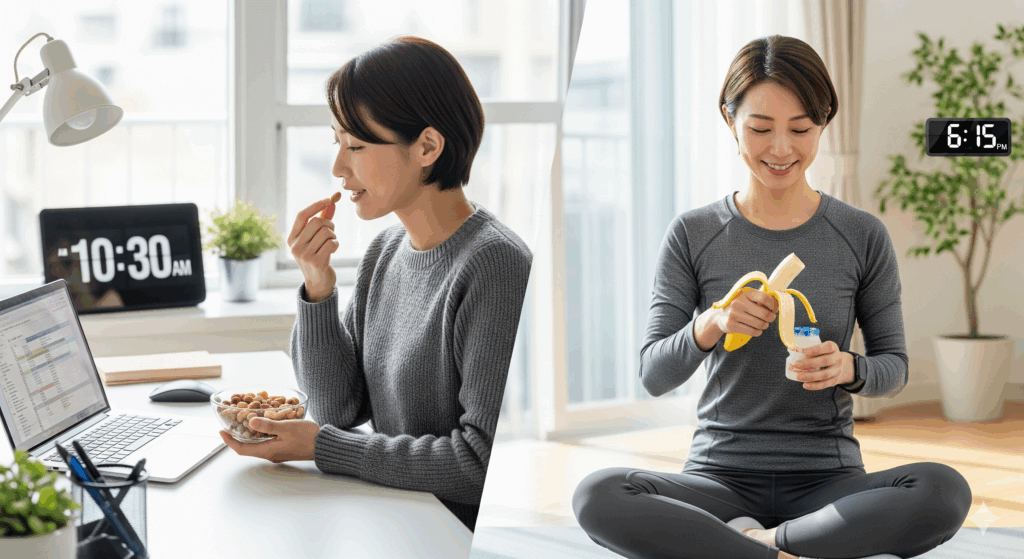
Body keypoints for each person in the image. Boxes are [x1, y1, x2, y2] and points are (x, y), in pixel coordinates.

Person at [571, 35, 971, 559]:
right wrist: (710, 324)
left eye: (801, 129)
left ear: (823, 122)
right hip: (718, 479)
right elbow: (653, 374)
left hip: (828, 482)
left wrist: (849, 367)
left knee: (943, 490)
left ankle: (759, 545)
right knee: (596, 494)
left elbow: (894, 367)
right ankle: (792, 549)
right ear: (730, 119)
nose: (781, 149)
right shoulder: (694, 233)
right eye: (760, 129)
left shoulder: (861, 234)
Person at [219, 36, 533, 532]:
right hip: (396, 514)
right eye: (337, 143)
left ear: (427, 146)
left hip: (452, 534)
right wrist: (317, 285)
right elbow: (336, 408)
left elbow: (479, 464)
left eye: (357, 146)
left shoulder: (496, 265)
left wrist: (318, 447)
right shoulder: (385, 251)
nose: (339, 167)